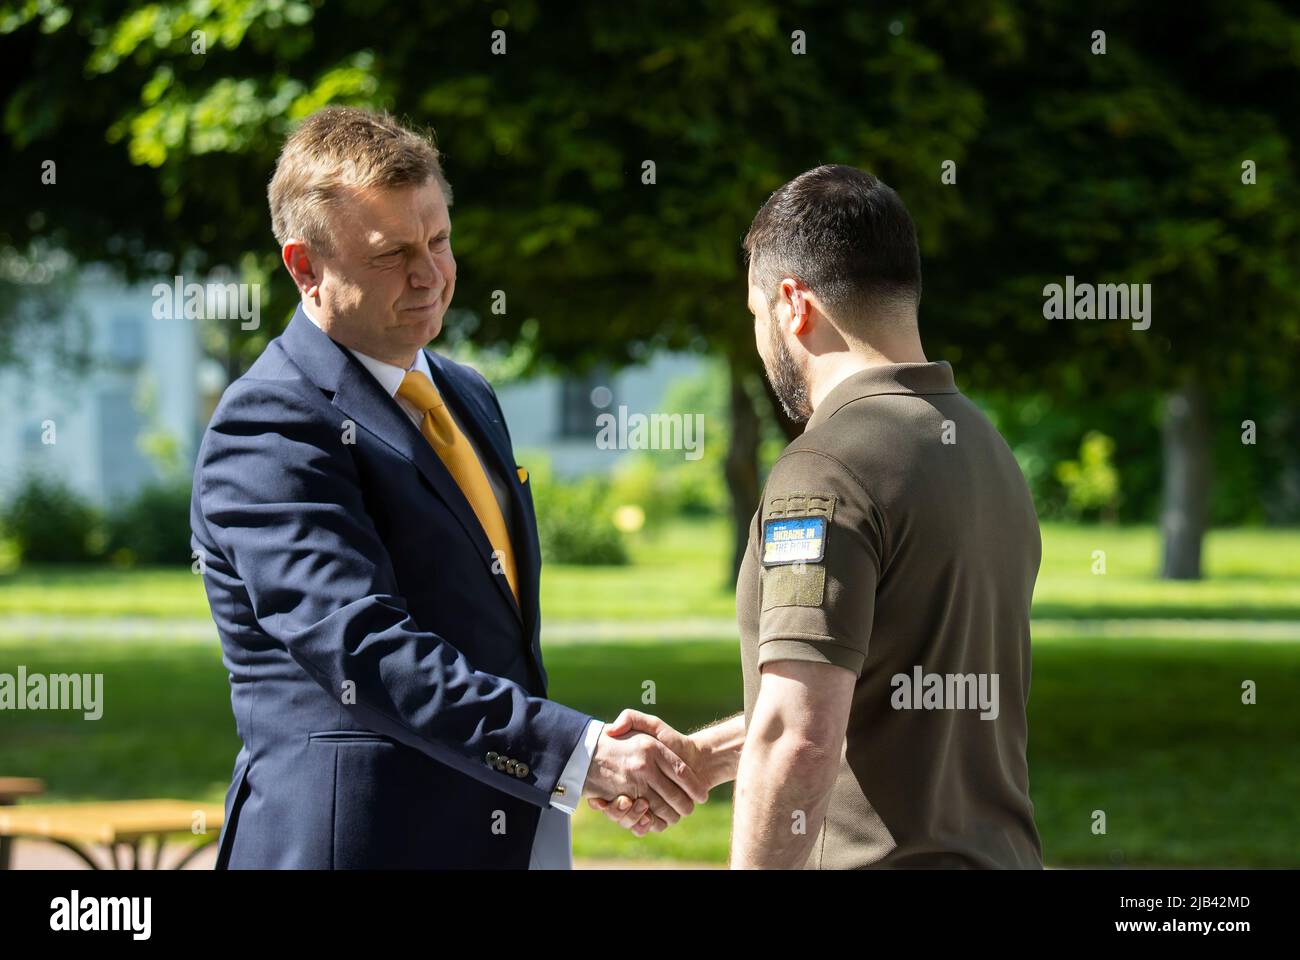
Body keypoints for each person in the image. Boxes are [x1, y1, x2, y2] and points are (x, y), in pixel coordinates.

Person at [191, 106, 707, 869]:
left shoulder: (465, 394)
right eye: (392, 253)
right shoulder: (269, 423)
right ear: (304, 268)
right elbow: (365, 651)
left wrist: (567, 758)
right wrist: (576, 752)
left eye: (438, 240)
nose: (430, 273)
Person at [593, 165, 1044, 869]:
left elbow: (799, 735)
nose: (759, 338)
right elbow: (879, 687)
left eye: (754, 315)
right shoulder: (983, 449)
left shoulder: (827, 467)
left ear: (793, 304)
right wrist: (702, 758)